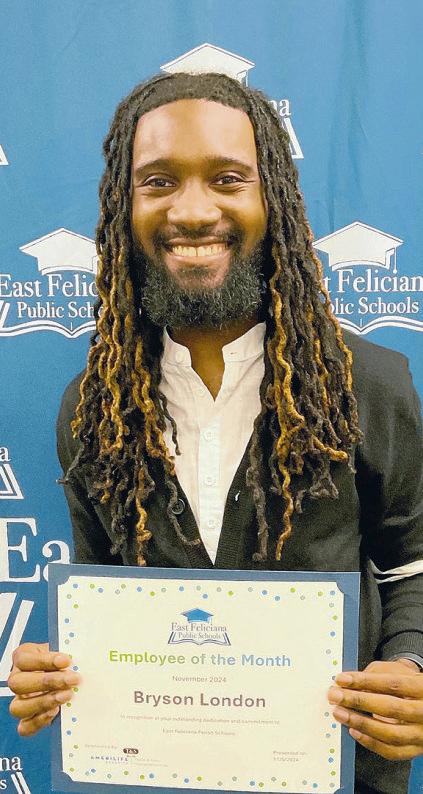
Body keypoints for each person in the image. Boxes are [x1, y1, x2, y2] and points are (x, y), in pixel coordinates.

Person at [7, 72, 423, 794]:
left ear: (272, 199)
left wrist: (411, 667)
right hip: (152, 775)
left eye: (228, 179)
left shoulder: (368, 385)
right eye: (158, 181)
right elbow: (98, 590)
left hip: (337, 773)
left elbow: (412, 566)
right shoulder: (93, 410)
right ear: (124, 206)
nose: (193, 211)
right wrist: (58, 672)